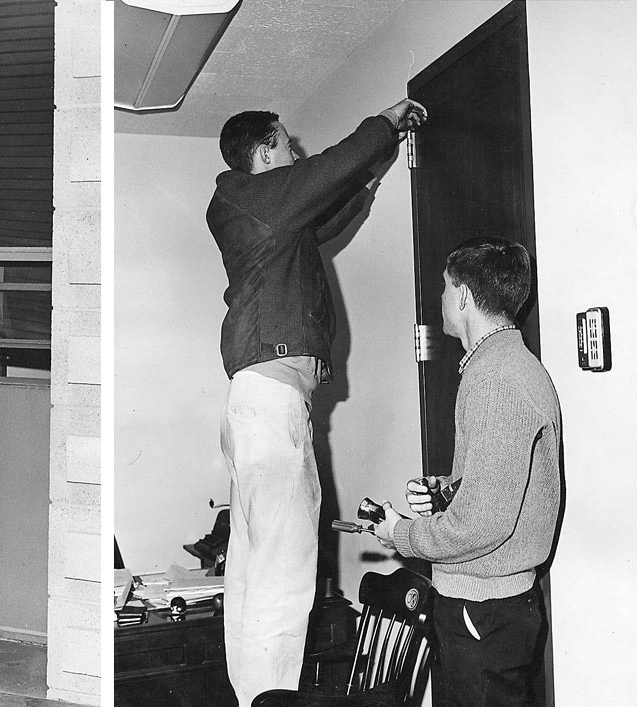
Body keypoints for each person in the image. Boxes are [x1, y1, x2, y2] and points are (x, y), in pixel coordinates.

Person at [206, 97, 426, 705]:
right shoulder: (251, 195)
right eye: (286, 144)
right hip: (271, 410)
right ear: (264, 153)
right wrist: (382, 126)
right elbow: (324, 173)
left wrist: (370, 180)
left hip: (261, 406)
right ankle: (270, 700)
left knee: (256, 570)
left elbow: (323, 216)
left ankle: (253, 696)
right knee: (285, 575)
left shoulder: (266, 217)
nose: (296, 152)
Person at [373, 237, 561, 707]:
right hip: (498, 607)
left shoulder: (494, 379)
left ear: (462, 297)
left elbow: (482, 523)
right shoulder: (512, 366)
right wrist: (447, 491)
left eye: (443, 288)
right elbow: (505, 484)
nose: (439, 298)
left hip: (482, 610)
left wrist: (403, 533)